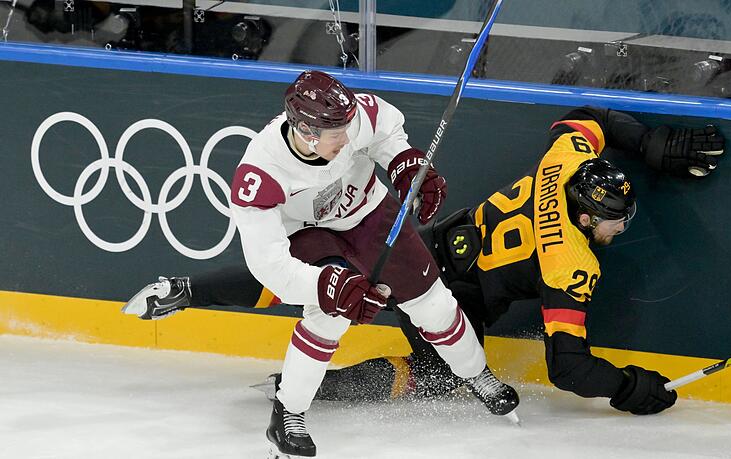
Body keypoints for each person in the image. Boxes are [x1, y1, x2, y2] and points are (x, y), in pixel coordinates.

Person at [126, 105, 724, 419]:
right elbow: (568, 369)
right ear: (589, 220)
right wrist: (631, 388)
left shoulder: (563, 164)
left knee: (315, 284)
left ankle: (186, 289)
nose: (625, 226)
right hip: (446, 292)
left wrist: (649, 143)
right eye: (618, 219)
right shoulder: (570, 263)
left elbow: (588, 121)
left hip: (430, 246)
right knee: (438, 372)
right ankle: (317, 389)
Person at [123, 70, 518, 458]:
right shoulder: (261, 173)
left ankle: (476, 374)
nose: (347, 139)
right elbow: (269, 266)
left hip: (367, 212)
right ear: (308, 134)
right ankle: (289, 413)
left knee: (434, 304)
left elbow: (385, 134)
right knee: (329, 316)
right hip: (309, 234)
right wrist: (326, 287)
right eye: (336, 136)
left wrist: (406, 165)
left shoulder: (346, 117)